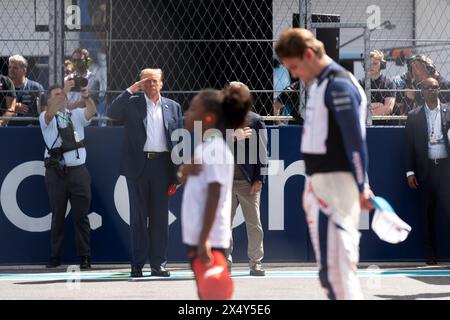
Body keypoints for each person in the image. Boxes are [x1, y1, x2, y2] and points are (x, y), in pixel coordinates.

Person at [275, 28, 374, 300]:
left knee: (339, 272)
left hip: (336, 186)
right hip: (320, 184)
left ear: (308, 55)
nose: (294, 74)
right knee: (328, 275)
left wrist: (362, 184)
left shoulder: (339, 85)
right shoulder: (321, 84)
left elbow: (354, 140)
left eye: (294, 66)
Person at [108, 68, 183, 278]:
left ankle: (159, 264)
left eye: (155, 81)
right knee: (139, 218)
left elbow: (179, 141)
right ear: (141, 83)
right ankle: (137, 264)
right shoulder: (132, 103)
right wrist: (131, 90)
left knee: (160, 219)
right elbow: (111, 113)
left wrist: (178, 174)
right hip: (138, 166)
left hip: (162, 166)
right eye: (146, 81)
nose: (151, 85)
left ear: (162, 83)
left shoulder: (173, 107)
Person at [179, 86, 251, 299]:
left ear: (208, 118)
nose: (187, 113)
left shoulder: (216, 150)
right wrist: (184, 172)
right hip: (198, 238)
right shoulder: (206, 147)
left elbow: (214, 195)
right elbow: (196, 179)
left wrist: (204, 241)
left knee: (215, 293)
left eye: (193, 109)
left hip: (210, 241)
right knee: (205, 294)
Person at [39, 79, 97, 269]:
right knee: (57, 216)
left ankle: (85, 257)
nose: (60, 98)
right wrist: (63, 91)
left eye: (62, 95)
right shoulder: (45, 117)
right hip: (56, 173)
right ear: (48, 101)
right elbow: (52, 110)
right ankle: (55, 256)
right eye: (55, 96)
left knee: (81, 216)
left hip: (79, 171)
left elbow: (91, 111)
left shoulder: (75, 115)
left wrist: (86, 96)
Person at [222, 81, 267, 276]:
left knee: (254, 223)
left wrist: (259, 178)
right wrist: (232, 136)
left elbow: (263, 152)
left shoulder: (255, 120)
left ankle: (255, 262)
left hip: (247, 182)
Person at [405, 77, 450, 265]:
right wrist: (410, 172)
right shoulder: (414, 116)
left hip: (446, 170)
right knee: (427, 214)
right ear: (421, 91)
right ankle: (430, 256)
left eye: (436, 87)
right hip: (426, 170)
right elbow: (408, 147)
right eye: (428, 88)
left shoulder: (449, 111)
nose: (433, 90)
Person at [8, 54, 45, 125]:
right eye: (9, 67)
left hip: (30, 131)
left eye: (15, 68)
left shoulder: (36, 88)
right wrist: (13, 106)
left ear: (24, 70)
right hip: (7, 130)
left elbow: (44, 112)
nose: (11, 70)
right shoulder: (3, 87)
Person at [359, 50, 395, 116]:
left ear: (382, 65)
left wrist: (367, 112)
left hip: (383, 125)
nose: (371, 66)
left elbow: (388, 109)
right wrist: (378, 105)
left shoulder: (389, 84)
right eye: (368, 63)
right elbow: (358, 106)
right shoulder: (360, 83)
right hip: (364, 124)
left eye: (375, 63)